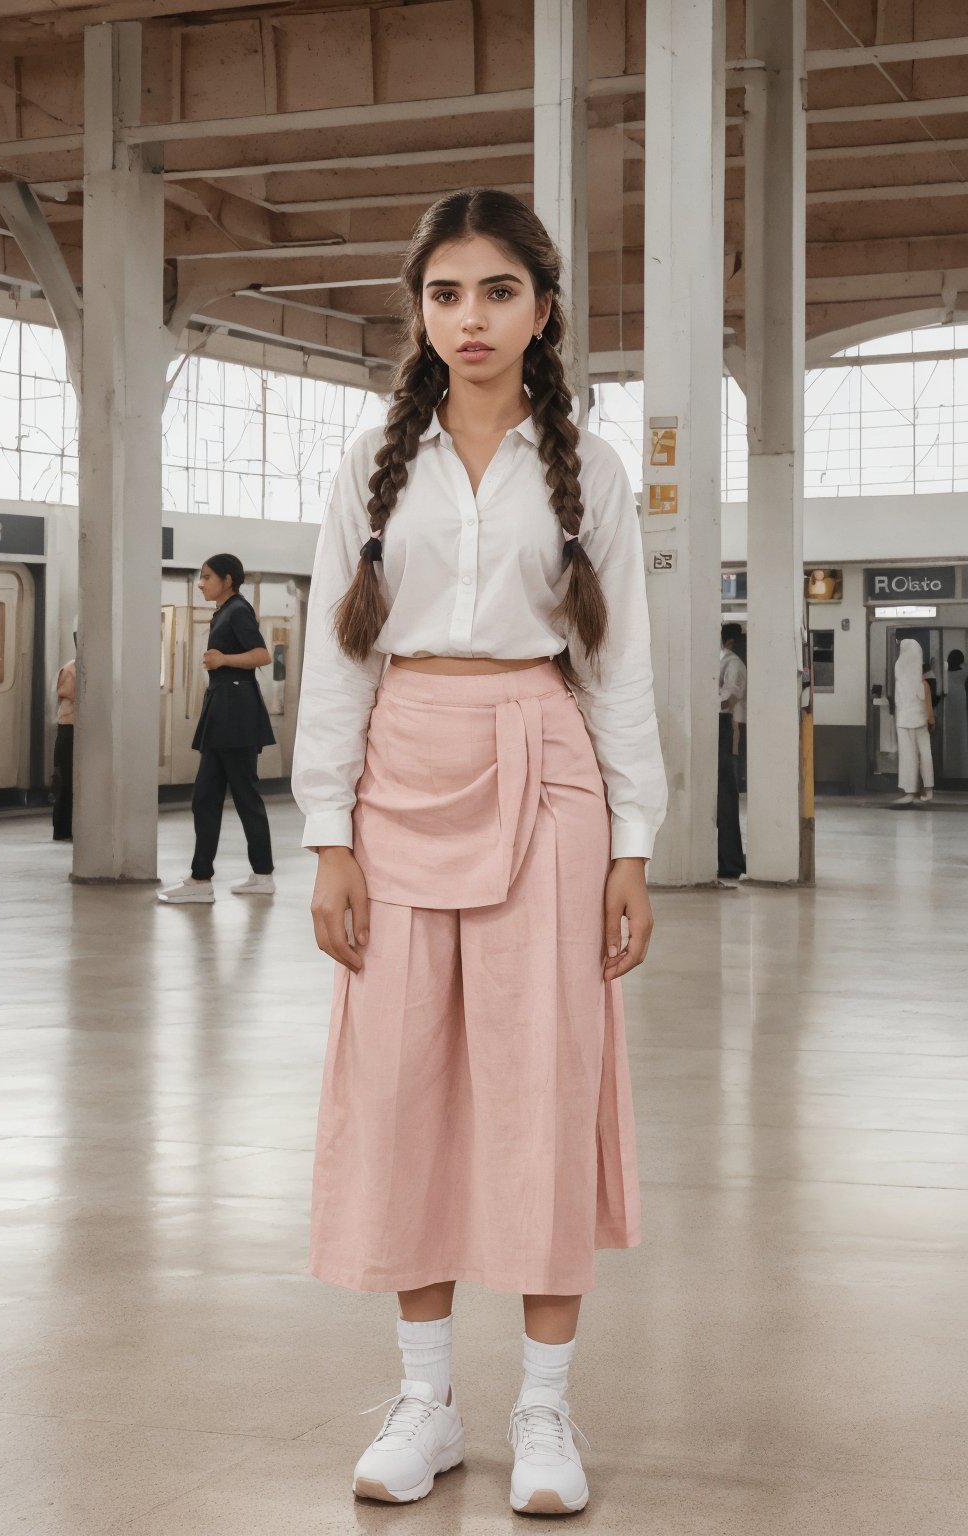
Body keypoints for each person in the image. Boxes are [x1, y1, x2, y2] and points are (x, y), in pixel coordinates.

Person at [291, 189, 667, 1516]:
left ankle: (547, 1415)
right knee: (405, 1084)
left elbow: (619, 669)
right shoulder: (369, 465)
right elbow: (337, 663)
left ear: (543, 311)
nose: (471, 318)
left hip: (545, 764)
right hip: (400, 769)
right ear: (420, 311)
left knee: (545, 1082)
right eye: (446, 293)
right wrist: (326, 834)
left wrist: (633, 842)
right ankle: (426, 1401)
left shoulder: (590, 472)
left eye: (498, 291)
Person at [158, 554, 277, 903]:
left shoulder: (238, 610)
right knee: (207, 798)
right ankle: (202, 879)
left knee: (242, 796)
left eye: (207, 576)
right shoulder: (224, 611)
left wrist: (224, 659)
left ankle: (259, 874)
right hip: (225, 711)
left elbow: (262, 655)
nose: (200, 583)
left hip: (235, 714)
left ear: (227, 580)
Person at [717, 623, 746, 878]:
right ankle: (727, 860)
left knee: (726, 796)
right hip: (721, 727)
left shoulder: (730, 663)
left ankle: (731, 861)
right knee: (723, 798)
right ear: (734, 641)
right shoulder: (731, 662)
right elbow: (726, 699)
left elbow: (728, 699)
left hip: (725, 728)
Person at [891, 637, 935, 807]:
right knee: (925, 754)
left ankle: (910, 791)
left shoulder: (899, 670)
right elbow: (927, 703)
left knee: (907, 757)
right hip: (920, 721)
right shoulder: (921, 679)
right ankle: (929, 789)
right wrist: (931, 720)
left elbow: (897, 700)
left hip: (903, 721)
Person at [52, 634, 76, 842]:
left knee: (68, 781)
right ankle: (62, 828)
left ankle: (65, 827)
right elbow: (71, 695)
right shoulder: (72, 669)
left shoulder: (71, 667)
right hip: (69, 728)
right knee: (67, 781)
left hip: (71, 728)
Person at [942, 648, 968, 780]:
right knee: (962, 737)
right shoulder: (965, 672)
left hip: (948, 705)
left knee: (949, 737)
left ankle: (950, 770)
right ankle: (962, 771)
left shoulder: (944, 673)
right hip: (961, 703)